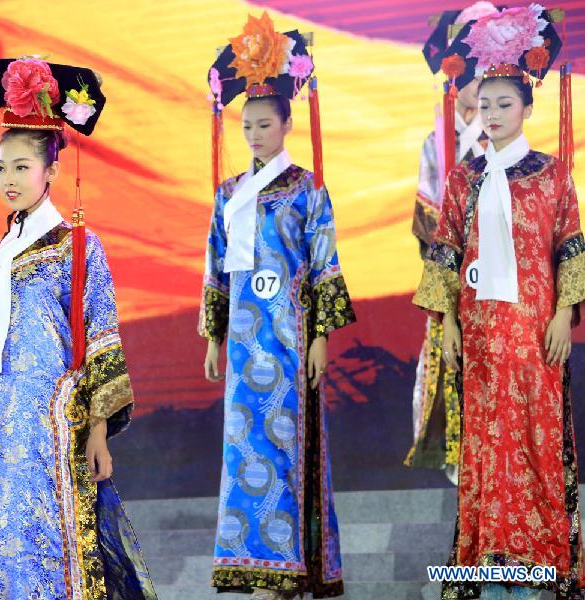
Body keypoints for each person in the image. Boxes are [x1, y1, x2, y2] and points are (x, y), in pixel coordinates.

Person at [0, 57, 156, 599]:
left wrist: (98, 430)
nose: (9, 179)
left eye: (22, 167)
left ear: (51, 172)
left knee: (46, 544)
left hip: (49, 422)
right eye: (2, 167)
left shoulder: (77, 247)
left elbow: (99, 336)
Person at [413, 6, 584, 598]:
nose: (491, 114)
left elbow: (569, 246)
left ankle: (541, 561)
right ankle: (490, 558)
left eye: (504, 104)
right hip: (482, 331)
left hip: (537, 329)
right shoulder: (465, 176)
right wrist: (448, 327)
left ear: (528, 107)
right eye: (484, 105)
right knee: (486, 444)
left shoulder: (553, 174)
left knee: (538, 440)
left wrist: (564, 312)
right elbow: (444, 253)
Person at [201, 13, 355, 599]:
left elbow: (324, 266)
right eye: (247, 126)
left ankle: (291, 570)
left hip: (288, 343)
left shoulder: (309, 189)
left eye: (265, 124)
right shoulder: (228, 195)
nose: (255, 134)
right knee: (244, 454)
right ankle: (258, 565)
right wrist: (214, 337)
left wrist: (319, 337)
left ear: (287, 123)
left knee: (288, 452)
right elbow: (216, 267)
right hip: (243, 349)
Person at [407, 1, 498, 485]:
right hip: (455, 273)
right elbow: (427, 223)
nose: (479, 82)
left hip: (504, 273)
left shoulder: (506, 136)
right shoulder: (437, 141)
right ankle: (458, 455)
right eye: (470, 68)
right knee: (454, 358)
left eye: (487, 70)